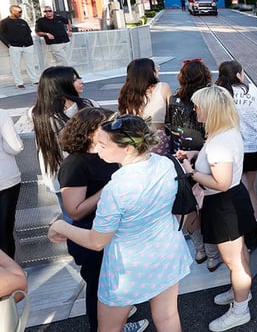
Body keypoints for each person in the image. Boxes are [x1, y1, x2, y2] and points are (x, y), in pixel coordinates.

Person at [48, 114, 192, 332]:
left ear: (128, 149)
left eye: (103, 145)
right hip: (167, 252)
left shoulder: (117, 187)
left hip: (128, 267)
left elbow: (97, 241)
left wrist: (61, 227)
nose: (97, 149)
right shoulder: (166, 163)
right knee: (168, 316)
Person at [56, 108, 149, 332]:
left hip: (110, 233)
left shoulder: (105, 154)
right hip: (91, 236)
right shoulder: (75, 165)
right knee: (99, 290)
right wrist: (110, 187)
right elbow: (75, 211)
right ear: (90, 133)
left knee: (111, 288)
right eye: (106, 125)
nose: (112, 128)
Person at [178, 86, 255, 331]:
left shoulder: (219, 141)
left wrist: (192, 172)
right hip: (233, 199)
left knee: (234, 262)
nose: (195, 110)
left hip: (223, 204)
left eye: (198, 106)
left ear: (211, 109)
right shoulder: (227, 131)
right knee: (240, 254)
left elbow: (220, 182)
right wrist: (196, 153)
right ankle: (241, 293)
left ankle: (240, 310)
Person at [166, 58, 220, 271]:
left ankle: (199, 249)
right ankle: (213, 254)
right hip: (206, 154)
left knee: (188, 206)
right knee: (208, 205)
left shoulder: (174, 100)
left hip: (182, 157)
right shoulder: (209, 99)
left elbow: (174, 129)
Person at [215, 60, 257, 247]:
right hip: (253, 146)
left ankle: (241, 229)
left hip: (231, 148)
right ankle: (256, 227)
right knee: (249, 188)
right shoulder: (250, 90)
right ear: (239, 75)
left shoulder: (220, 93)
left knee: (237, 188)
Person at [31, 66, 98, 212]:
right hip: (64, 174)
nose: (81, 81)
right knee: (75, 217)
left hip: (88, 171)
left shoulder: (88, 104)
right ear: (60, 85)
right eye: (75, 80)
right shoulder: (40, 114)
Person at [118, 58, 172, 155]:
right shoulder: (163, 87)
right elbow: (170, 115)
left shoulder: (126, 92)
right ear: (149, 72)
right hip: (157, 139)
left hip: (133, 139)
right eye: (155, 68)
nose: (157, 70)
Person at [0, 108, 23, 258]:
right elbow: (15, 147)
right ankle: (10, 270)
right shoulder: (1, 114)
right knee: (4, 230)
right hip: (6, 179)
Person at [0, 4, 39, 89]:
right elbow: (1, 35)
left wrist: (30, 42)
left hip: (28, 46)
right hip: (14, 46)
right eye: (19, 11)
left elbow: (28, 32)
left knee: (30, 64)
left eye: (21, 11)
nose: (21, 13)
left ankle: (34, 80)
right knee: (15, 65)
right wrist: (8, 44)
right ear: (12, 11)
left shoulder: (23, 21)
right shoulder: (4, 22)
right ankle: (19, 83)